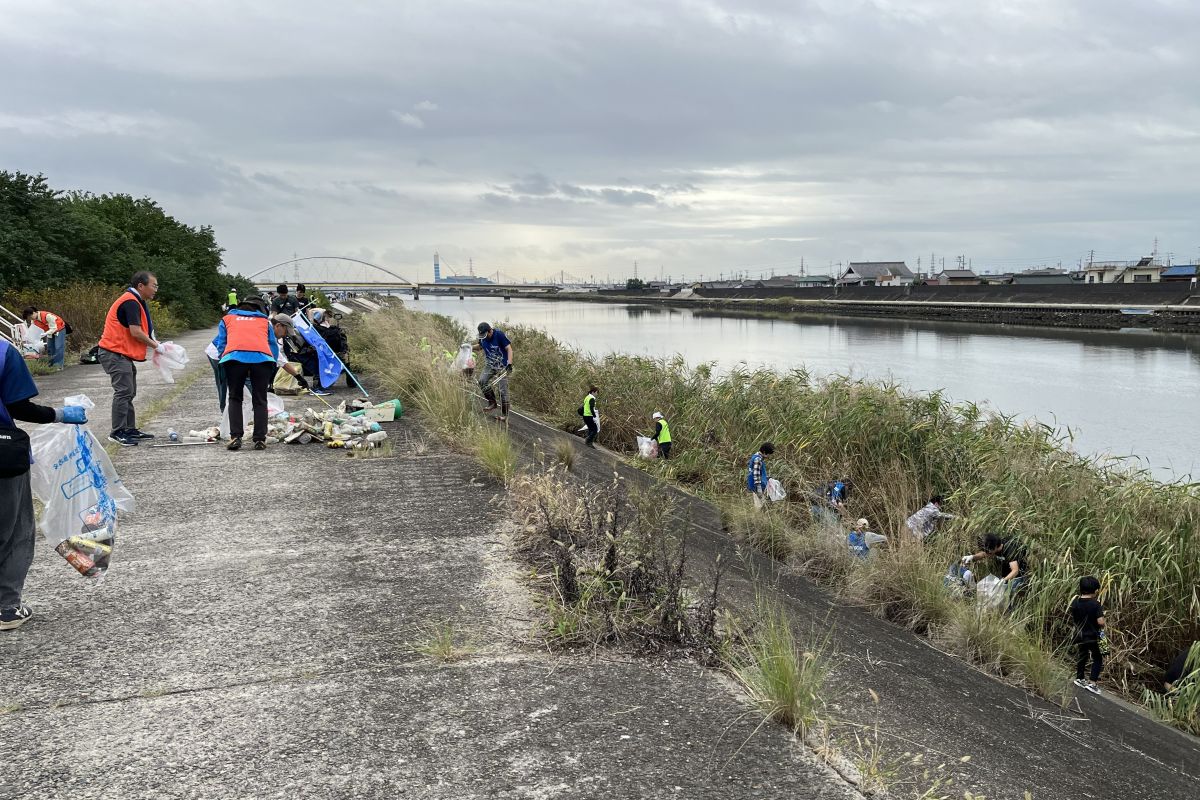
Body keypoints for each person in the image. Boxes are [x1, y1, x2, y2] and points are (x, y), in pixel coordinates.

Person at [1, 338, 87, 630]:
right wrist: (60, 415)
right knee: (13, 531)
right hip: (3, 458)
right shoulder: (3, 351)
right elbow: (18, 406)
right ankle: (7, 608)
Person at [97, 271, 165, 447]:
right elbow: (136, 332)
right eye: (154, 285)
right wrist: (156, 346)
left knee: (130, 391)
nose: (156, 289)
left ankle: (129, 428)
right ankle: (117, 432)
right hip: (113, 353)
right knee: (124, 391)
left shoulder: (135, 301)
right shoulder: (131, 302)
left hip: (120, 354)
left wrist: (155, 342)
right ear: (141, 286)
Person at [213, 296, 280, 451]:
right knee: (260, 399)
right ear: (258, 309)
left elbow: (222, 344)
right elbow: (272, 346)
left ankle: (236, 437)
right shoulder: (264, 321)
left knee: (235, 397)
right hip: (262, 359)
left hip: (234, 359)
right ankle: (260, 439)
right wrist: (272, 365)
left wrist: (225, 359)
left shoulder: (227, 319)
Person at [963, 532, 1030, 602]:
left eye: (989, 551)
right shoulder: (994, 545)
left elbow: (1015, 570)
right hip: (1006, 574)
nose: (987, 553)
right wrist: (972, 557)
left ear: (995, 547)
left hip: (1018, 577)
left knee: (1007, 597)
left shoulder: (1010, 549)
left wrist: (1003, 581)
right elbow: (984, 554)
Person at [1068, 576, 1105, 694]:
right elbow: (1100, 622)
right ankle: (1092, 683)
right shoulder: (1095, 604)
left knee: (1082, 656)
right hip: (1093, 636)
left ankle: (1080, 678)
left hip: (1080, 635)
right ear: (1095, 590)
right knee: (1098, 658)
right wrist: (1103, 623)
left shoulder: (1075, 602)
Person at [474, 322, 513, 421]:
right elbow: (480, 346)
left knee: (503, 390)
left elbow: (509, 349)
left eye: (486, 335)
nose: (484, 337)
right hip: (490, 365)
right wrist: (469, 347)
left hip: (502, 366)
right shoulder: (483, 337)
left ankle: (505, 416)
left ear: (490, 331)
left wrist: (509, 364)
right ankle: (492, 403)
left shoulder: (498, 334)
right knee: (482, 381)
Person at [746, 441, 774, 508]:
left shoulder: (756, 457)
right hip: (757, 487)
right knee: (760, 507)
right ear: (764, 452)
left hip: (755, 486)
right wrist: (759, 489)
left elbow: (757, 472)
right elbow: (756, 475)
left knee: (760, 505)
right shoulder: (758, 459)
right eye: (769, 454)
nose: (769, 456)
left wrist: (766, 477)